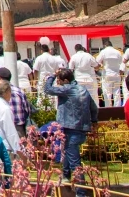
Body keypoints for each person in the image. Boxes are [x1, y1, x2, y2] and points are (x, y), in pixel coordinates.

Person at [43, 68, 98, 196]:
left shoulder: (67, 89)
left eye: (59, 81)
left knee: (76, 164)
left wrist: (52, 75)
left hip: (71, 129)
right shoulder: (83, 89)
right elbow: (94, 108)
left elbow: (47, 89)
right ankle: (66, 175)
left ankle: (81, 192)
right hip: (81, 129)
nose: (59, 83)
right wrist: (94, 122)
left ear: (66, 81)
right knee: (68, 152)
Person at [96, 39, 124, 107]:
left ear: (105, 45)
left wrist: (101, 64)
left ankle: (108, 107)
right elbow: (122, 63)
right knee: (117, 92)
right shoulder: (118, 52)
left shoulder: (103, 51)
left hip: (107, 74)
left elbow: (97, 61)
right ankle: (117, 107)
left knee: (107, 92)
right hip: (116, 74)